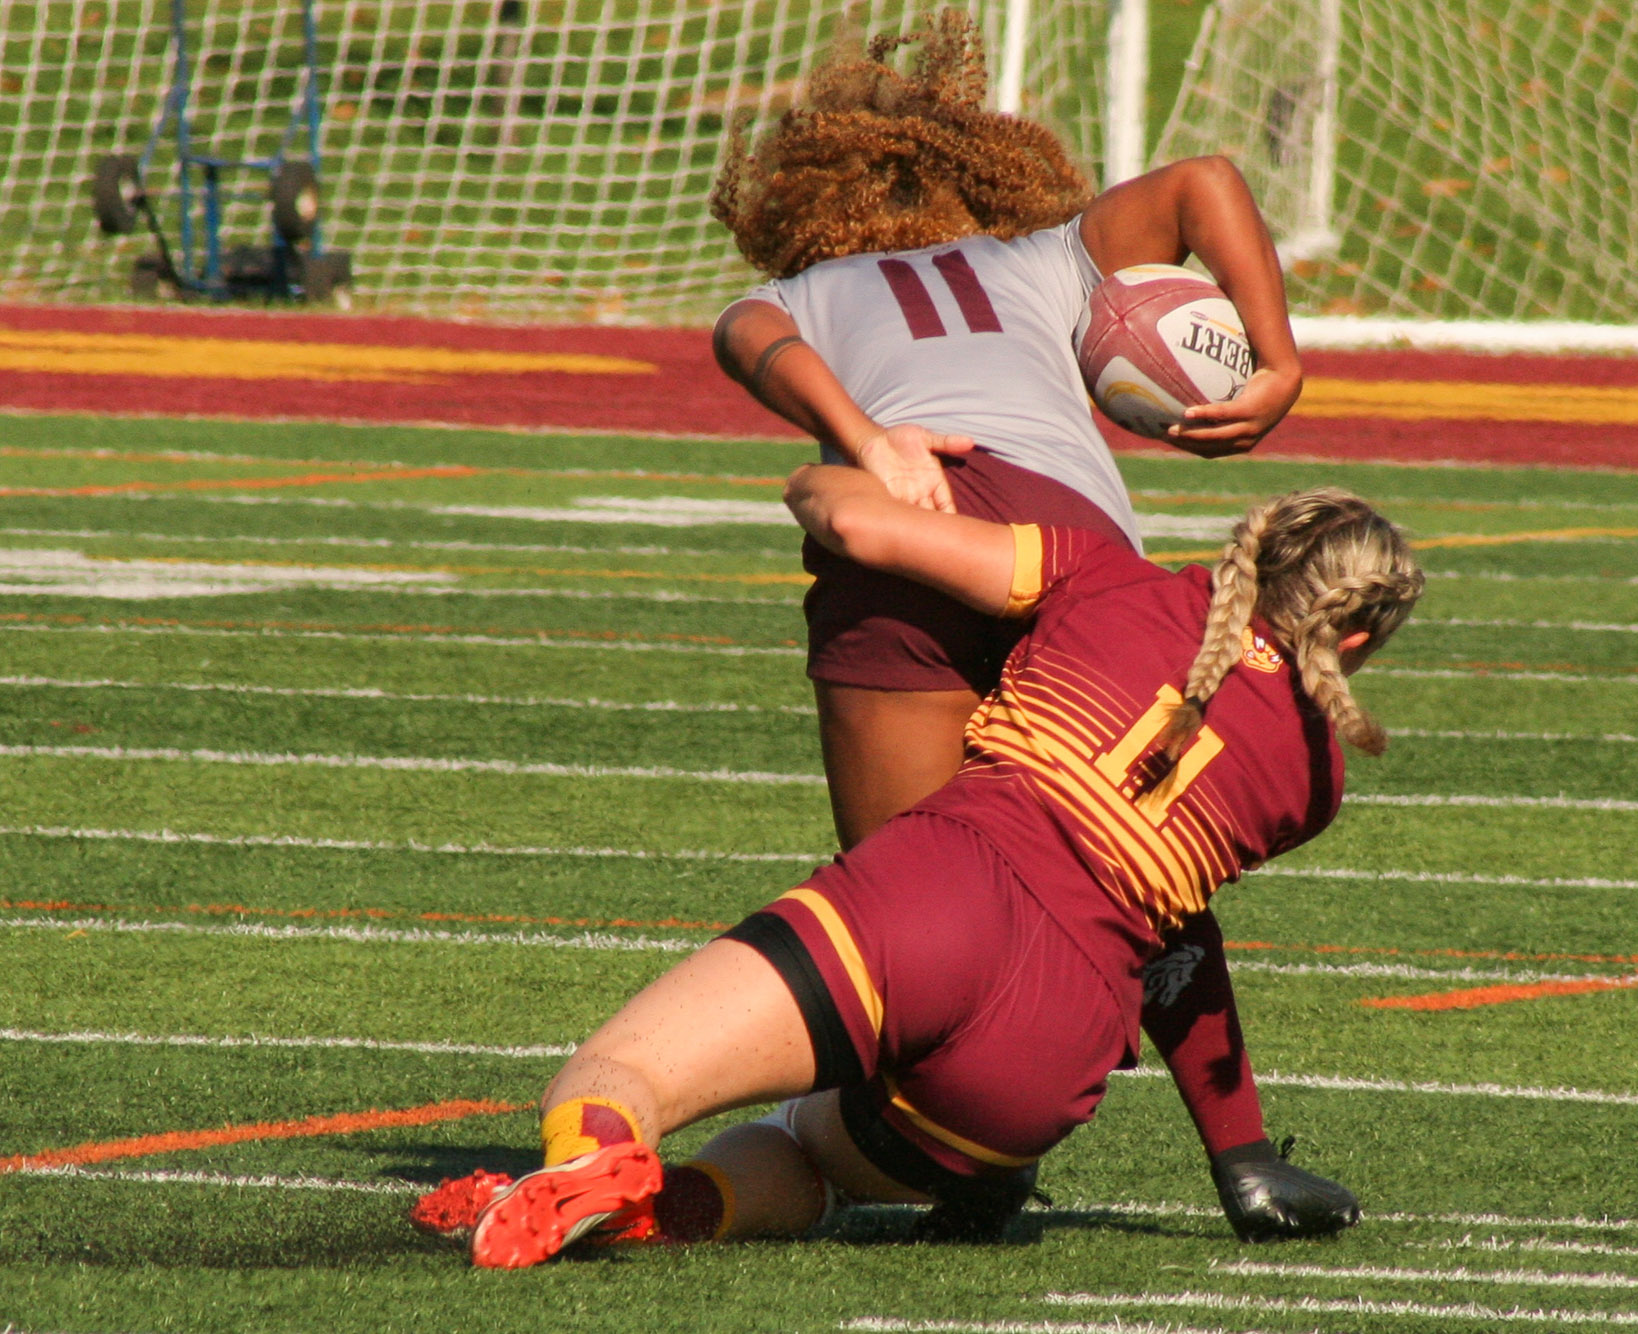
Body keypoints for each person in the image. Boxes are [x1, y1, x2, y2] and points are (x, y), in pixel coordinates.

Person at [424, 469, 1422, 1268]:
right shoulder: (1315, 779)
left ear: (1249, 544)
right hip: (1047, 1050)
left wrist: (844, 460)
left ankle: (590, 1162)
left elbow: (856, 525)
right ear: (1350, 637)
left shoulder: (1106, 573)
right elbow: (1174, 937)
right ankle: (673, 1207)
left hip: (940, 893)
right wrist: (1238, 1152)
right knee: (816, 1154)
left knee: (615, 1073)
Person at [704, 9, 1336, 1235]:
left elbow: (742, 331)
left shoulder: (806, 284)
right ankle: (1245, 1153)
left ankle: (977, 1166)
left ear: (796, 206)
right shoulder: (1040, 257)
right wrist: (1277, 360)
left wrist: (868, 435)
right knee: (1127, 850)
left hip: (910, 528)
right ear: (986, 175)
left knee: (918, 892)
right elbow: (1206, 179)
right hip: (1064, 541)